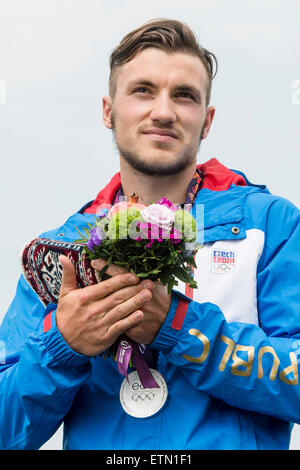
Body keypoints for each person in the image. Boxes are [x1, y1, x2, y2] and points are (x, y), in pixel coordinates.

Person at [1, 18, 300, 451]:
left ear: (207, 120)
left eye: (184, 95)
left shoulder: (269, 226)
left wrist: (179, 328)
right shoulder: (58, 253)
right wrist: (62, 347)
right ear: (108, 111)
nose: (163, 111)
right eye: (143, 90)